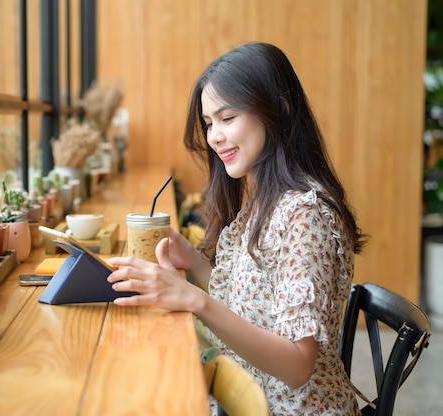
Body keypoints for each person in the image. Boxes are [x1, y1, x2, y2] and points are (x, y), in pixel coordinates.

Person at [107, 42, 367, 415]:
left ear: (279, 108)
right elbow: (255, 309)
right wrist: (195, 262)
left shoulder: (305, 215)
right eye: (210, 123)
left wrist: (194, 298)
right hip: (246, 399)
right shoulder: (266, 200)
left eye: (227, 118)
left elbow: (297, 366)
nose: (213, 137)